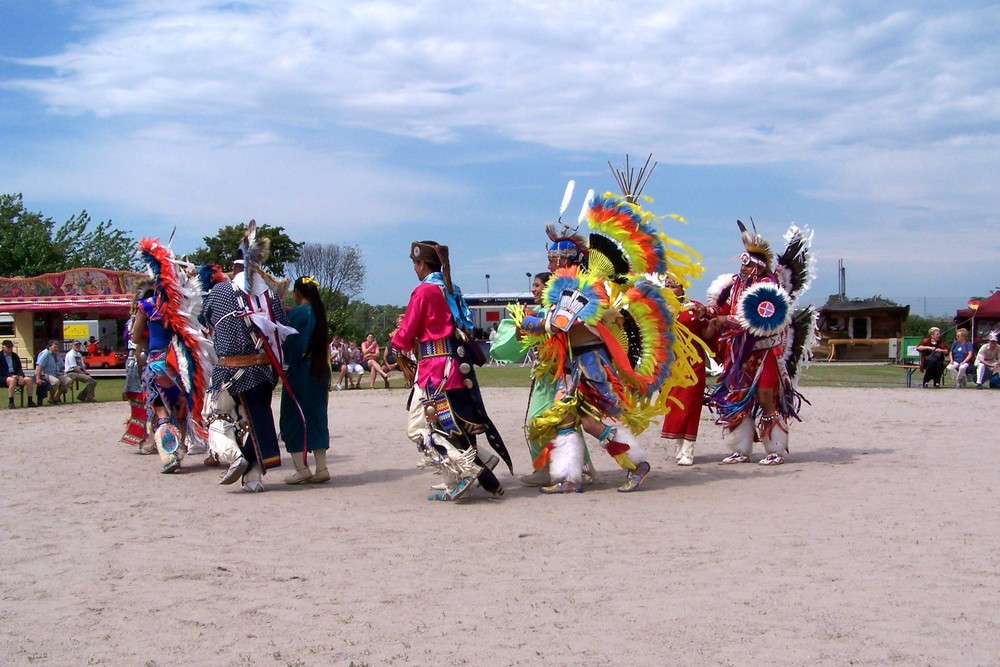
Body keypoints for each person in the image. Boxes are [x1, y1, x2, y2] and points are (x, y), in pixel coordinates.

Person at [515, 188, 701, 493]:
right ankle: (568, 477)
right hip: (573, 365)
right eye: (549, 259)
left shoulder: (584, 288)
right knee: (565, 418)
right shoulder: (564, 288)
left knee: (592, 422)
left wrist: (529, 320)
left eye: (554, 259)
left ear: (566, 259)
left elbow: (560, 324)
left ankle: (635, 463)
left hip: (592, 364)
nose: (549, 265)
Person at [390, 240, 511, 501]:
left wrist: (396, 341)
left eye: (414, 264)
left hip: (434, 370)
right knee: (449, 424)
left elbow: (407, 332)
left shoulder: (423, 292)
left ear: (421, 263)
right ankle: (476, 466)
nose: (414, 269)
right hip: (452, 366)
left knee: (420, 429)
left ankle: (470, 469)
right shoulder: (449, 288)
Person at [707, 220, 815, 466]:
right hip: (740, 354)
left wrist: (727, 319)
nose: (742, 269)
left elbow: (757, 319)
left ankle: (775, 449)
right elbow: (725, 307)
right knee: (738, 398)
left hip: (765, 351)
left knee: (766, 396)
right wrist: (711, 314)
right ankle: (741, 449)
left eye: (747, 265)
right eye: (742, 265)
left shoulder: (769, 288)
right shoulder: (736, 286)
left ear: (758, 267)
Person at [203, 223, 293, 492]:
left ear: (233, 268)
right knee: (256, 419)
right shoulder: (270, 297)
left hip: (229, 371)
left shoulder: (219, 292)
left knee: (216, 417)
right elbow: (283, 330)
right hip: (263, 373)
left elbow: (206, 318)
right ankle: (253, 477)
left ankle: (235, 456)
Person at [133, 239, 215, 474]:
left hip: (156, 362)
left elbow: (137, 337)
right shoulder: (182, 307)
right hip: (178, 363)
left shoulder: (146, 306)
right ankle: (191, 446)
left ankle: (171, 456)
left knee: (161, 410)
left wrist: (150, 347)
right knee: (181, 408)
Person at [660, 276, 718, 466]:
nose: (669, 289)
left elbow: (707, 334)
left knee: (690, 407)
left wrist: (713, 323)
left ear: (682, 288)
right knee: (675, 406)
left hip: (693, 365)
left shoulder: (694, 308)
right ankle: (679, 446)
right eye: (666, 286)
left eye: (673, 286)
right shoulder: (659, 309)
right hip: (672, 366)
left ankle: (688, 450)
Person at [280, 276, 332, 484]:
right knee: (317, 416)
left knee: (292, 418)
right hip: (319, 371)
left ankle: (301, 468)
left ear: (297, 293)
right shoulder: (319, 313)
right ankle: (321, 467)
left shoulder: (298, 313)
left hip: (300, 372)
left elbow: (291, 343)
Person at [1, 340, 37, 408]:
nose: (10, 348)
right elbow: (1, 370)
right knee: (12, 380)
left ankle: (30, 401)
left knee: (29, 380)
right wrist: (11, 375)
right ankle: (11, 402)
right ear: (3, 347)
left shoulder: (14, 356)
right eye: (8, 347)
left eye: (11, 347)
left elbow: (19, 368)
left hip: (15, 375)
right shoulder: (0, 356)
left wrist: (20, 376)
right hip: (3, 376)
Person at [34, 339, 71, 405]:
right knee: (56, 382)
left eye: (57, 347)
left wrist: (64, 374)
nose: (56, 349)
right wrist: (38, 378)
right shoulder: (45, 354)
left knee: (68, 380)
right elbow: (39, 366)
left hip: (56, 373)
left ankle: (56, 398)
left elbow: (61, 366)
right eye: (55, 347)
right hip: (46, 374)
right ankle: (51, 398)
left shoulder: (57, 354)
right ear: (49, 347)